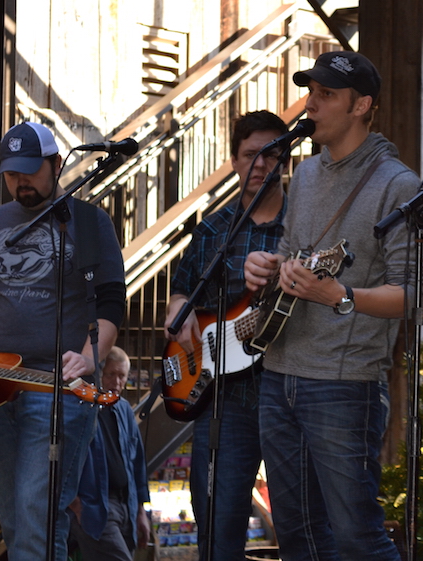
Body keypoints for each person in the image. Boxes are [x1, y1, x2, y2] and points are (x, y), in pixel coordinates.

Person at [243, 51, 423, 561]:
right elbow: (291, 255)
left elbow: (415, 295)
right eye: (311, 92)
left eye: (326, 95)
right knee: (299, 537)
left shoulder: (398, 185)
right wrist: (264, 266)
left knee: (356, 538)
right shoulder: (302, 175)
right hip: (279, 372)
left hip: (345, 387)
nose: (312, 105)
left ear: (361, 105)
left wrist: (342, 296)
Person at [0, 121, 126, 561]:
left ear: (56, 164)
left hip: (55, 389)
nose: (21, 182)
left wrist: (93, 356)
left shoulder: (90, 223)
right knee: (19, 523)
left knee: (35, 520)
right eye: (12, 174)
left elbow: (110, 305)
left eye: (30, 171)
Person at [164, 110, 289, 560]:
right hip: (224, 401)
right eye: (250, 154)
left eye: (271, 154)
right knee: (218, 527)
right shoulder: (214, 228)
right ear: (235, 161)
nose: (260, 164)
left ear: (286, 159)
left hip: (289, 390)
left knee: (299, 523)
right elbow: (181, 289)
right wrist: (178, 313)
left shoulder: (304, 227)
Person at [70, 346, 152, 560]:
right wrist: (76, 503)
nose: (116, 382)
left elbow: (137, 462)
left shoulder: (123, 407)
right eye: (111, 375)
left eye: (122, 376)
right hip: (96, 504)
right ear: (99, 374)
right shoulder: (81, 405)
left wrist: (141, 511)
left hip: (127, 503)